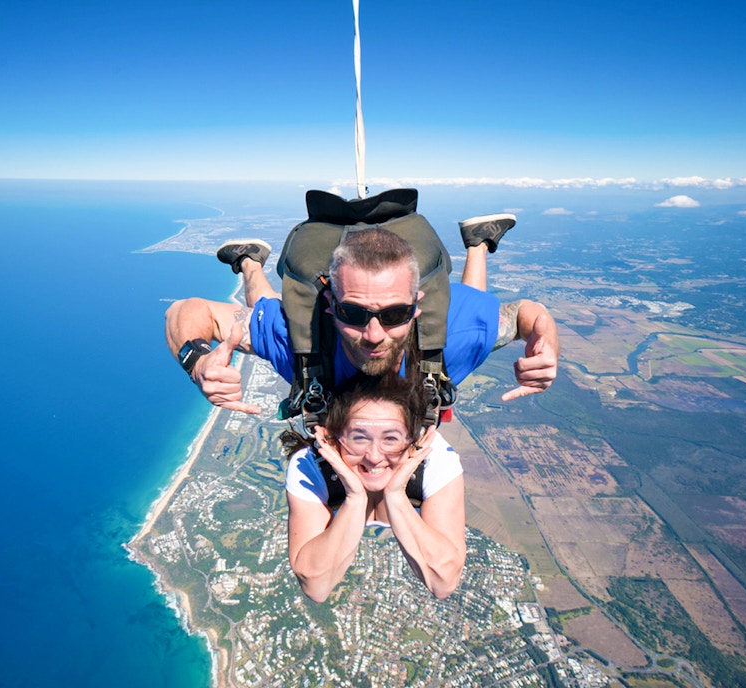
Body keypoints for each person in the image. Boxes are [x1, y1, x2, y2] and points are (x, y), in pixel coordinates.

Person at [165, 216, 558, 414]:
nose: (374, 334)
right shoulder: (305, 340)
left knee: (470, 305)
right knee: (267, 307)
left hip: (446, 326)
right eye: (353, 313)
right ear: (330, 307)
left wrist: (546, 340)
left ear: (417, 307)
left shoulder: (448, 335)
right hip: (311, 333)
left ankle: (478, 243)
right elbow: (187, 312)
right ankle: (250, 263)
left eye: (396, 314)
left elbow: (528, 315)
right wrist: (197, 361)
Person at [282, 373, 465, 601]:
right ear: (332, 437)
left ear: (414, 439)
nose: (375, 456)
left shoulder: (434, 458)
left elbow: (444, 582)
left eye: (390, 439)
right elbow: (316, 587)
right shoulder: (311, 465)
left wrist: (396, 496)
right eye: (359, 438)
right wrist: (355, 498)